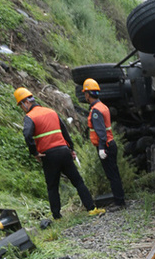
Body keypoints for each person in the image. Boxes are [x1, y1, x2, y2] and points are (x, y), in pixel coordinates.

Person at [14, 87, 105, 221]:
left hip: (49, 155)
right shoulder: (51, 111)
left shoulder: (30, 117)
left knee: (52, 187)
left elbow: (27, 135)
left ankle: (57, 216)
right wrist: (71, 149)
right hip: (64, 151)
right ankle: (91, 208)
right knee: (78, 181)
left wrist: (35, 153)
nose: (22, 108)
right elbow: (65, 131)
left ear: (25, 103)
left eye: (21, 106)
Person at [82, 78, 126, 210]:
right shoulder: (103, 106)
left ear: (87, 94)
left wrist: (101, 148)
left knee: (112, 175)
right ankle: (120, 199)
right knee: (114, 174)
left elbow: (101, 132)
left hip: (105, 146)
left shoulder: (96, 110)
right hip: (110, 144)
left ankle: (119, 202)